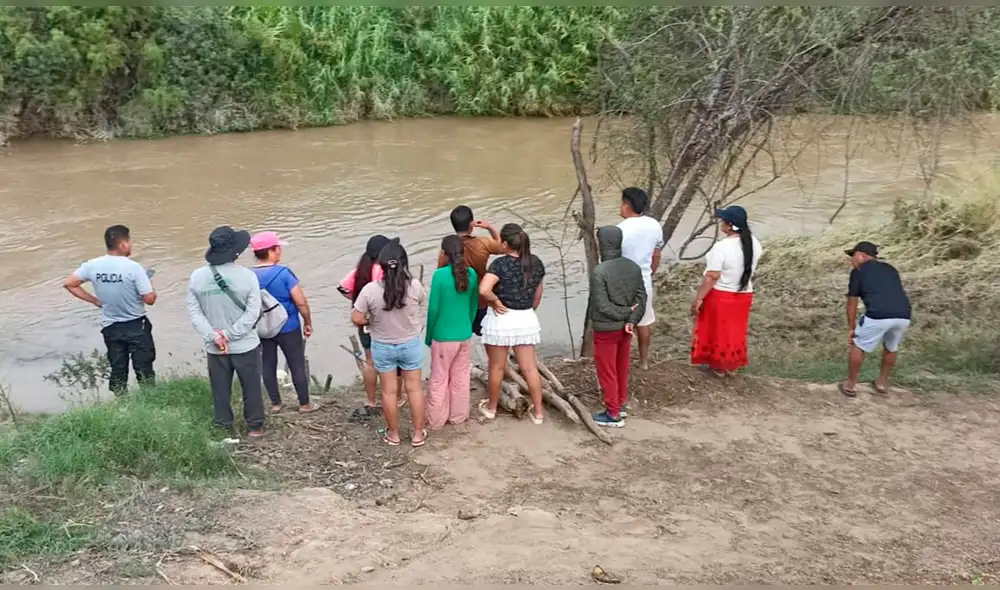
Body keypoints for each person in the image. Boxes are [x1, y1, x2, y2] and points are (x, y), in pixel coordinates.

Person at [187, 226, 266, 438]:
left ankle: (223, 427)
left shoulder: (197, 277)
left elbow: (194, 314)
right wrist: (230, 334)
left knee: (220, 390)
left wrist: (215, 336)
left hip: (215, 348)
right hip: (245, 345)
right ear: (235, 252)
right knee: (251, 387)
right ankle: (255, 427)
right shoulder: (247, 276)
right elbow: (252, 313)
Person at [63, 224, 157, 395]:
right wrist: (150, 285)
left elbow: (69, 284)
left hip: (111, 326)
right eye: (129, 241)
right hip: (136, 325)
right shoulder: (134, 268)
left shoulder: (92, 265)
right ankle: (150, 402)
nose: (131, 245)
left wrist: (95, 301)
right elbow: (149, 299)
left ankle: (121, 403)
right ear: (123, 245)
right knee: (144, 369)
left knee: (118, 369)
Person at [352, 239, 428, 447]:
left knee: (388, 391)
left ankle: (393, 434)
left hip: (383, 347)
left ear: (381, 265)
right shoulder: (414, 286)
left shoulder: (370, 290)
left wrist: (371, 320)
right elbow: (420, 303)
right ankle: (418, 434)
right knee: (414, 389)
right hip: (410, 344)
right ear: (405, 263)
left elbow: (356, 318)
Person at [478, 223, 546, 424]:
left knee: (496, 367)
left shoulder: (500, 265)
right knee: (529, 368)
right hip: (525, 318)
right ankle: (539, 412)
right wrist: (528, 311)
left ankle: (491, 408)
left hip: (501, 319)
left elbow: (484, 289)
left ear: (506, 244)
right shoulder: (536, 263)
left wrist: (496, 301)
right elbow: (538, 294)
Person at [690, 205, 763, 377]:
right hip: (743, 294)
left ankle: (718, 366)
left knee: (716, 331)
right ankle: (731, 366)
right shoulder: (754, 243)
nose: (721, 223)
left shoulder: (722, 247)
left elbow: (712, 276)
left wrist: (699, 298)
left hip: (721, 295)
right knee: (735, 331)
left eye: (723, 221)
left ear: (729, 225)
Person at [338, 235, 406, 420]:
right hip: (384, 321)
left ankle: (371, 400)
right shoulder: (383, 270)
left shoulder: (359, 270)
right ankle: (397, 397)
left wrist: (356, 301)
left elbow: (342, 288)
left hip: (364, 320)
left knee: (370, 361)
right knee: (394, 360)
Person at [250, 231, 318, 414]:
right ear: (272, 251)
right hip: (288, 326)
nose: (280, 251)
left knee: (267, 364)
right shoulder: (284, 273)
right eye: (278, 248)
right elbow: (301, 302)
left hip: (263, 328)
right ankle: (304, 404)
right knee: (296, 363)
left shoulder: (248, 276)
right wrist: (308, 322)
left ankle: (275, 403)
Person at [588, 226, 647, 428]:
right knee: (621, 367)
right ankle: (620, 404)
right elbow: (642, 298)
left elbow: (602, 306)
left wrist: (624, 314)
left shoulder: (599, 271)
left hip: (606, 329)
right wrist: (631, 319)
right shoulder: (633, 267)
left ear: (603, 244)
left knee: (607, 370)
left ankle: (612, 414)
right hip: (626, 329)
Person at [840, 241, 912, 397]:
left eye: (853, 256)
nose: (852, 260)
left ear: (861, 255)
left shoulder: (858, 270)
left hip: (878, 314)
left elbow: (852, 302)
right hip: (903, 315)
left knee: (858, 346)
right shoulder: (891, 269)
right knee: (891, 347)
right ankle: (882, 383)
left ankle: (851, 385)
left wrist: (851, 328)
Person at [425, 235, 478, 429]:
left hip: (443, 336)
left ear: (444, 254)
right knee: (461, 377)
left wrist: (429, 335)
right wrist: (467, 324)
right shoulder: (472, 274)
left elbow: (433, 310)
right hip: (464, 334)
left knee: (439, 378)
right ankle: (458, 416)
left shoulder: (439, 275)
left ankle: (436, 420)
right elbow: (473, 305)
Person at [437, 205, 505, 337]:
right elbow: (502, 246)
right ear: (472, 224)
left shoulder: (446, 251)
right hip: (481, 300)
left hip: (460, 303)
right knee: (485, 333)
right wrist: (489, 227)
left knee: (463, 335)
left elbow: (440, 275)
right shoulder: (483, 243)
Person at [617, 187, 665, 370]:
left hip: (622, 281)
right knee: (643, 321)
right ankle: (644, 360)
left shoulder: (618, 230)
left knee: (622, 321)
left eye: (622, 203)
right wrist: (650, 272)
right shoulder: (654, 225)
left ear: (627, 205)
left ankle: (623, 360)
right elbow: (656, 254)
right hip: (644, 280)